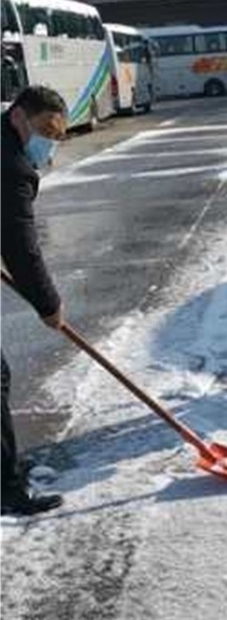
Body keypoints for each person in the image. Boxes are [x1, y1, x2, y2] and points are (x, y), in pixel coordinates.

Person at [2, 85, 68, 515]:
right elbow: (22, 249)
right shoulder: (11, 166)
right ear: (18, 117)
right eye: (45, 130)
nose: (50, 141)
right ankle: (6, 489)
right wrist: (49, 305)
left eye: (57, 135)